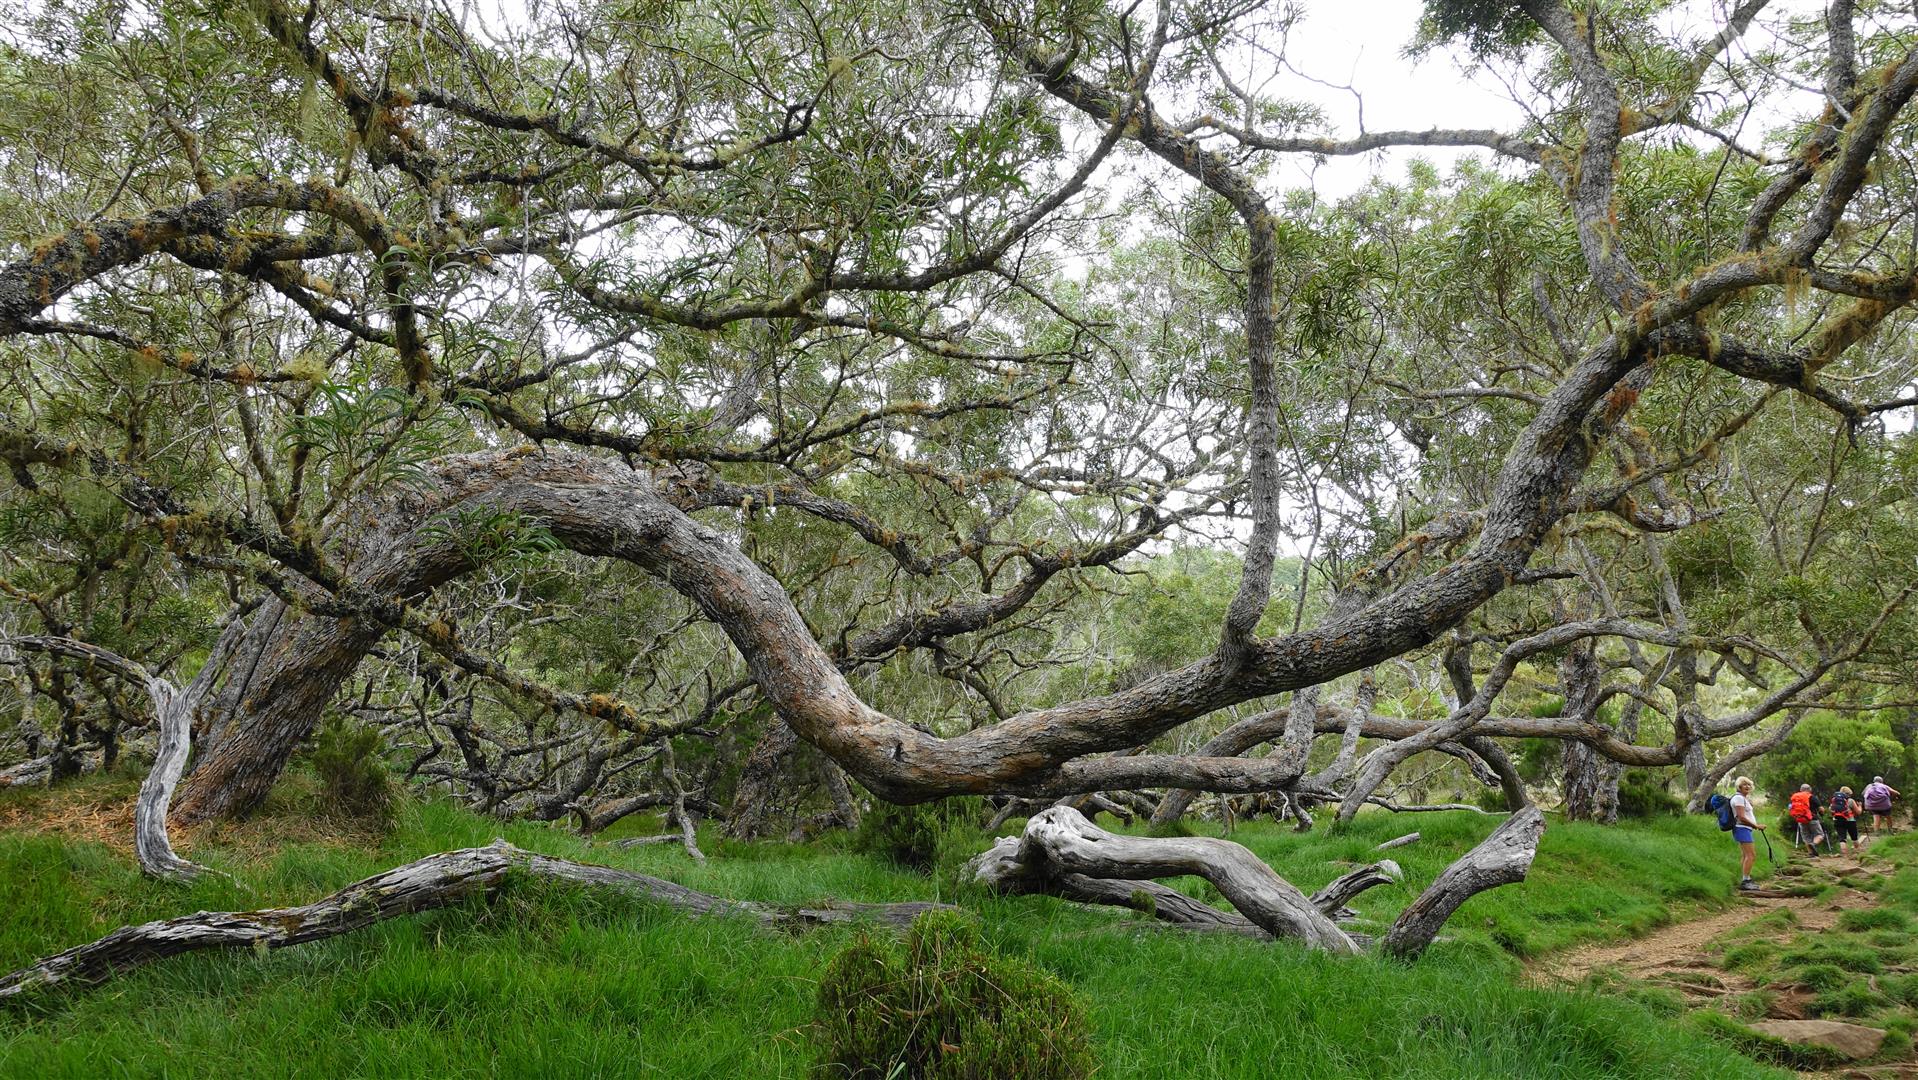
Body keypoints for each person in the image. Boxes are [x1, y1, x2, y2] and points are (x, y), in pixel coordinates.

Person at [1732, 776, 1764, 891]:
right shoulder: (1739, 799)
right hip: (1742, 828)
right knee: (1751, 855)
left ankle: (1745, 878)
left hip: (1744, 829)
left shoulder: (1742, 798)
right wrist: (1756, 826)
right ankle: (1746, 881)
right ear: (1739, 786)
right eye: (1744, 784)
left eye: (1749, 785)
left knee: (1746, 855)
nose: (1747, 786)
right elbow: (1741, 817)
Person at [1788, 784, 1825, 857]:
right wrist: (1822, 814)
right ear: (1809, 789)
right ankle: (1813, 844)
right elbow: (1821, 809)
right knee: (1820, 835)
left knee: (1806, 837)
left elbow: (1791, 807)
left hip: (1800, 819)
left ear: (1800, 789)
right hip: (1812, 819)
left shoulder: (1796, 797)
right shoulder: (1812, 797)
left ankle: (1811, 853)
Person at [1829, 785, 1861, 855]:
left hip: (1837, 820)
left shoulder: (1834, 800)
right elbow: (1858, 812)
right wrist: (1860, 806)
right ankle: (1857, 852)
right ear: (1849, 793)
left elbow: (1830, 810)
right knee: (1854, 837)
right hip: (1850, 820)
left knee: (1842, 838)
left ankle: (1844, 854)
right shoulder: (1850, 800)